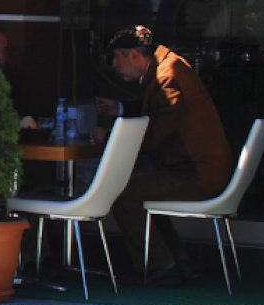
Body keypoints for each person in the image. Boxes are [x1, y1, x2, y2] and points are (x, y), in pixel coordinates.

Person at [95, 26, 233, 286]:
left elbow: (155, 131)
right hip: (199, 169)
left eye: (116, 57)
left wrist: (111, 136)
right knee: (141, 190)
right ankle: (177, 262)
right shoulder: (167, 67)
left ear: (134, 55)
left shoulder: (168, 76)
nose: (114, 64)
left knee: (122, 192)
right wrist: (120, 109)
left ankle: (160, 266)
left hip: (198, 175)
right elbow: (158, 111)